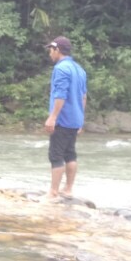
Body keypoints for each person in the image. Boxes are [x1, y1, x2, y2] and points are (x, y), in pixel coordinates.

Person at [44, 36, 88, 201]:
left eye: (51, 50)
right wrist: (80, 119)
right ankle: (68, 189)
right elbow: (83, 97)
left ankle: (53, 192)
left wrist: (52, 117)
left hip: (62, 119)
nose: (50, 53)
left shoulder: (61, 69)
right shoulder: (79, 69)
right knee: (70, 154)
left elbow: (60, 94)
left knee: (56, 155)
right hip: (75, 119)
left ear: (57, 50)